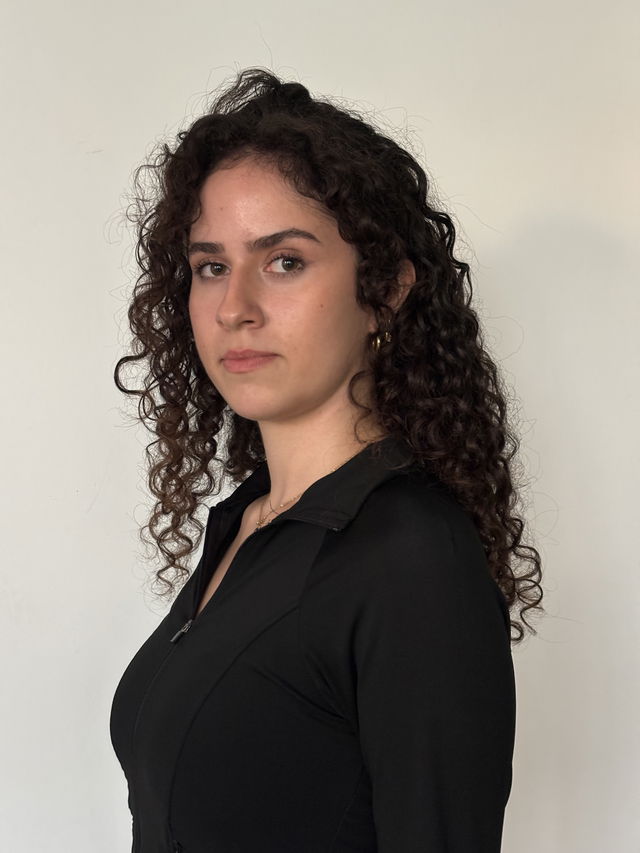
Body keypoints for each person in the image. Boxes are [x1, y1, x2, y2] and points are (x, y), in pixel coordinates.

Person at [109, 67, 543, 853]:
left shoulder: (412, 556)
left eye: (284, 261)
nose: (235, 307)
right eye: (211, 266)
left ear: (385, 290)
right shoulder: (248, 521)